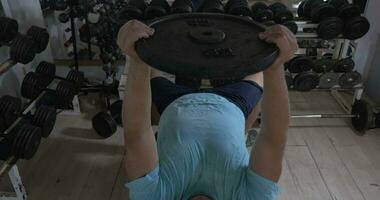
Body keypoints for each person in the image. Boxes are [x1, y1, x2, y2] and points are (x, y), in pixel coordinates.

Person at [117, 18, 298, 200]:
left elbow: (137, 134)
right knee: (260, 72)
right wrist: (275, 65)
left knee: (149, 65)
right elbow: (273, 140)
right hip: (232, 104)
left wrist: (137, 58)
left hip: (174, 103)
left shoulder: (156, 196)